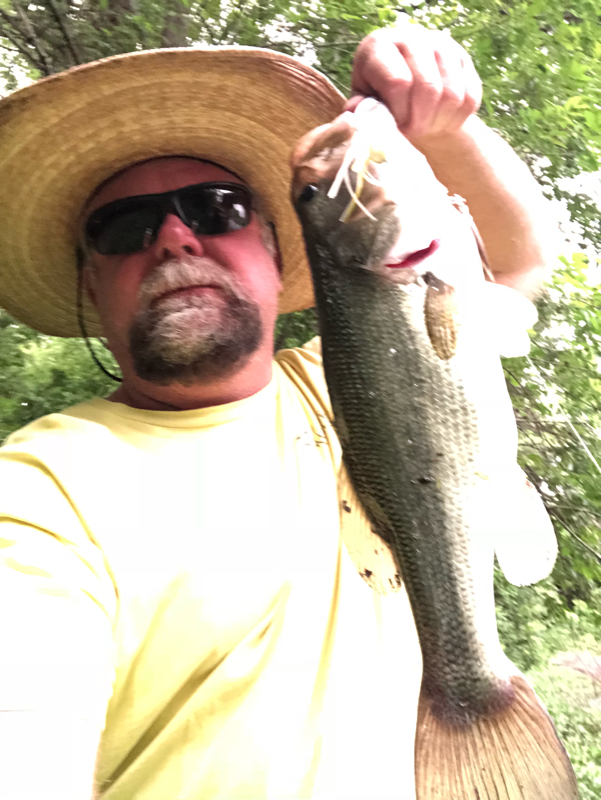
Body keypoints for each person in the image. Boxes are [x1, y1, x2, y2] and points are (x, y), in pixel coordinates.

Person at [0, 23, 556, 800]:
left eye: (215, 207)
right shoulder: (41, 491)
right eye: (124, 227)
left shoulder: (341, 385)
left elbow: (520, 262)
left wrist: (443, 126)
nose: (173, 238)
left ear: (272, 247)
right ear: (92, 284)